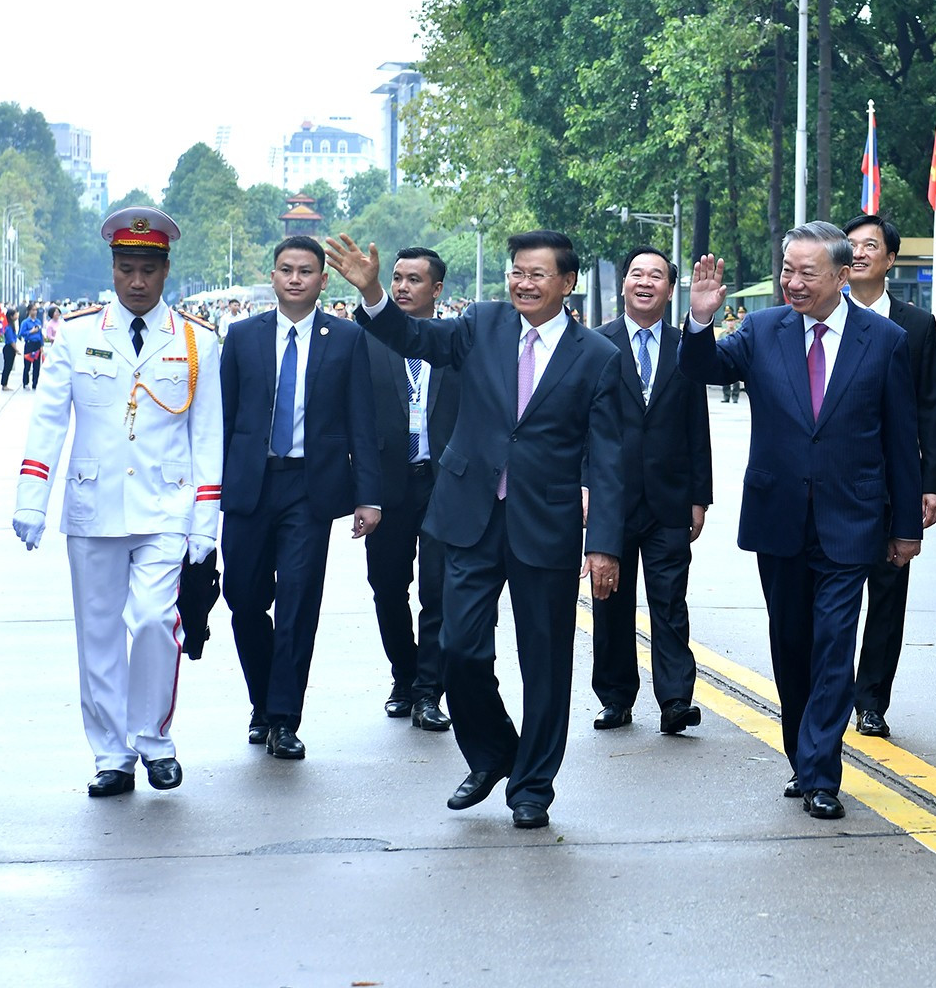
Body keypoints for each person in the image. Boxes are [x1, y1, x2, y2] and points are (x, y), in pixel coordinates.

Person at [327, 229, 634, 831]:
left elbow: (608, 456)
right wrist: (372, 293)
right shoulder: (482, 324)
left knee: (545, 663)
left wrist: (603, 543)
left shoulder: (597, 355)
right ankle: (493, 752)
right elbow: (413, 337)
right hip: (470, 515)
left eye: (537, 274)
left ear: (567, 282)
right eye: (517, 271)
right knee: (460, 650)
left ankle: (533, 786)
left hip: (544, 524)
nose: (523, 283)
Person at [680, 223, 923, 820]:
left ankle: (820, 774)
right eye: (787, 269)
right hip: (779, 516)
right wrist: (701, 319)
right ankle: (801, 754)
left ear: (842, 276)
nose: (792, 281)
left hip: (852, 520)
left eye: (807, 272)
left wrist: (905, 528)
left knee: (835, 645)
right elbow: (701, 368)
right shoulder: (763, 329)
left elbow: (901, 440)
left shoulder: (885, 340)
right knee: (791, 645)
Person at [11, 208, 224, 798]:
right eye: (126, 269)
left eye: (147, 271)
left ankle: (153, 738)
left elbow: (208, 435)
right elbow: (50, 419)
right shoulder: (77, 334)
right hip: (93, 502)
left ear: (165, 272)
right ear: (112, 269)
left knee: (155, 619)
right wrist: (32, 497)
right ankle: (111, 753)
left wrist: (206, 521)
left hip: (167, 504)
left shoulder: (197, 340)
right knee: (99, 633)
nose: (136, 282)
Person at [219, 236, 384, 760]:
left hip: (309, 489)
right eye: (286, 269)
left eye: (306, 271)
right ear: (272, 276)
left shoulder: (346, 338)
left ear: (322, 280)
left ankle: (284, 717)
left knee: (297, 601)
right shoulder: (241, 337)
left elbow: (362, 420)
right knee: (243, 600)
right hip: (249, 485)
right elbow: (221, 420)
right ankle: (263, 701)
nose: (295, 278)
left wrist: (369, 495)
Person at [590, 246, 714, 734]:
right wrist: (584, 487)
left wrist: (699, 497)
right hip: (611, 499)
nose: (645, 282)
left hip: (670, 499)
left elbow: (697, 425)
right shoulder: (595, 344)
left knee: (669, 602)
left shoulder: (687, 348)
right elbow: (580, 426)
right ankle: (616, 697)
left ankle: (676, 700)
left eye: (656, 276)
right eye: (637, 274)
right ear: (624, 283)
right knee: (611, 602)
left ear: (670, 288)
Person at [841, 215, 936, 738]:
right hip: (834, 484)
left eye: (870, 245)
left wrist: (932, 483)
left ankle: (872, 700)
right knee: (832, 597)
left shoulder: (917, 325)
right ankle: (830, 694)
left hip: (893, 484)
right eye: (851, 245)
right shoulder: (823, 316)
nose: (859, 253)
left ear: (890, 259)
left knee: (887, 596)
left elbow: (930, 408)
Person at [362, 247, 461, 731]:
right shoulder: (369, 340)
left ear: (436, 289)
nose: (402, 287)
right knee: (387, 588)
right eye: (397, 278)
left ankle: (427, 691)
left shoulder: (458, 343)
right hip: (388, 487)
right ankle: (404, 675)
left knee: (438, 592)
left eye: (414, 280)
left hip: (442, 487)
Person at [19, 306, 46, 389]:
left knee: (37, 365)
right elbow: (21, 333)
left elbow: (40, 334)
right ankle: (25, 382)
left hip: (37, 344)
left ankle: (35, 383)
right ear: (29, 311)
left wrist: (41, 345)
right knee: (27, 365)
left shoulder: (38, 321)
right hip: (29, 344)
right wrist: (31, 332)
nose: (35, 312)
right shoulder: (25, 322)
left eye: (36, 310)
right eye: (33, 310)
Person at [0, 306, 21, 389]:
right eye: (15, 314)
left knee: (8, 367)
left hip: (10, 348)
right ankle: (4, 384)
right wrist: (16, 349)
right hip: (9, 348)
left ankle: (4, 384)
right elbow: (11, 340)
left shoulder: (11, 326)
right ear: (11, 316)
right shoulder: (8, 327)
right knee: (7, 367)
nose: (17, 316)